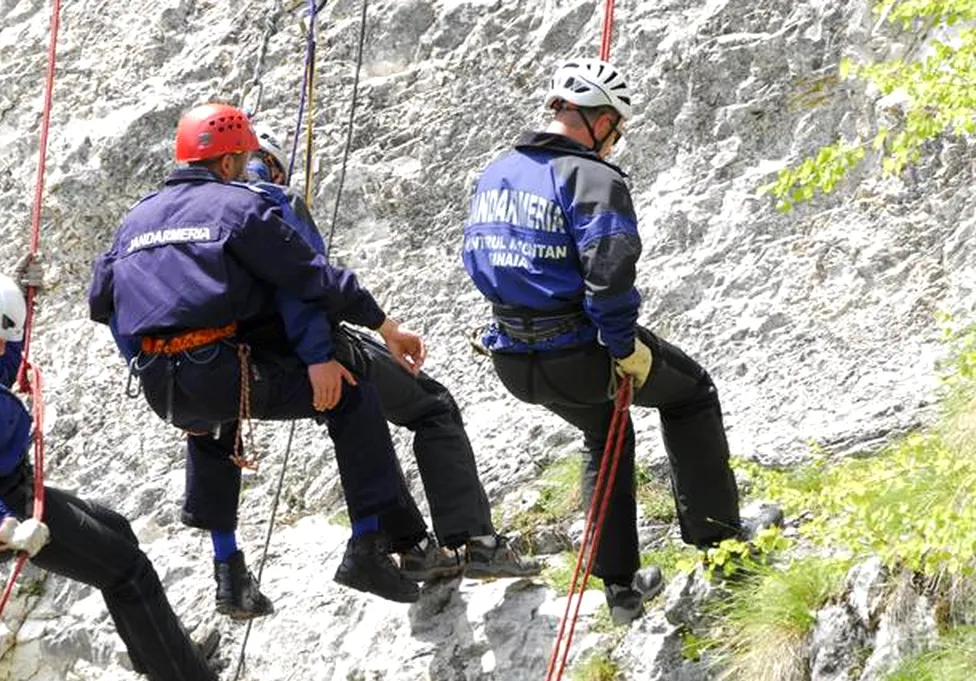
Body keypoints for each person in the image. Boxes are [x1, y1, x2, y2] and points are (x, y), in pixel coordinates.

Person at [461, 58, 768, 625]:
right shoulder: (595, 179)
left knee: (605, 433)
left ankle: (622, 589)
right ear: (600, 121)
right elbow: (610, 270)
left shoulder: (495, 173)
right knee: (691, 394)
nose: (615, 140)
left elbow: (477, 260)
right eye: (616, 128)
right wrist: (623, 345)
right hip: (579, 355)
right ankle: (721, 546)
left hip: (513, 359)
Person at [88, 102, 424, 618]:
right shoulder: (239, 207)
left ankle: (229, 575)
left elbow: (103, 303)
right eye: (242, 159)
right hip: (220, 367)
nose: (245, 167)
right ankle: (367, 547)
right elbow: (310, 278)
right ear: (227, 163)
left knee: (214, 425)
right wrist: (383, 326)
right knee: (350, 395)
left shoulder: (136, 218)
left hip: (163, 383)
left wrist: (145, 361)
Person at [0, 262, 257, 681]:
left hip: (10, 495)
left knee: (115, 529)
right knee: (128, 571)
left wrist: (23, 302)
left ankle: (167, 658)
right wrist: (5, 528)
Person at [242, 128, 540, 581]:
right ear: (273, 165)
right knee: (432, 407)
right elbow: (315, 283)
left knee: (360, 429)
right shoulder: (274, 198)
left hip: (257, 366)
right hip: (319, 350)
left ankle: (413, 546)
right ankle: (476, 542)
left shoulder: (204, 215)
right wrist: (383, 327)